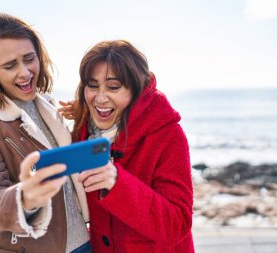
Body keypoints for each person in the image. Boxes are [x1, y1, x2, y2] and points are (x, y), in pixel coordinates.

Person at [0, 13, 92, 253]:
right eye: (10, 65)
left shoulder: (49, 107)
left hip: (86, 242)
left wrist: (88, 117)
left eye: (29, 59)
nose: (25, 72)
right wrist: (24, 198)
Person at [60, 40, 195, 252]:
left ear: (136, 89)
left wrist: (118, 184)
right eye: (92, 86)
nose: (100, 98)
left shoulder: (168, 135)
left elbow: (177, 225)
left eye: (113, 87)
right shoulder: (84, 131)